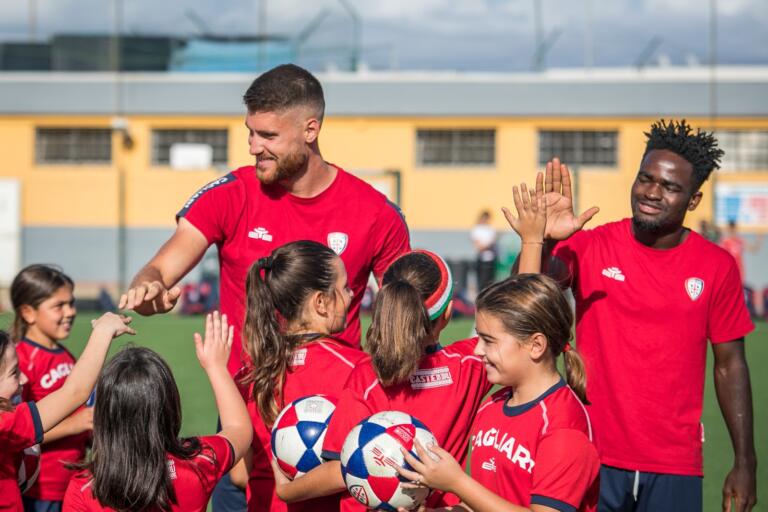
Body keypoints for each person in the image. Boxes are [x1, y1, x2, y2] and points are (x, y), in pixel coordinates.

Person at [119, 63, 410, 510]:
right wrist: (149, 289)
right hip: (245, 416)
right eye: (250, 133)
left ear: (310, 129)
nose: (255, 147)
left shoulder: (374, 212)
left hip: (338, 416)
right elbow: (160, 268)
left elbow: (403, 314)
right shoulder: (230, 193)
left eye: (269, 136)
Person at [537, 119, 756, 511]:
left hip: (674, 465)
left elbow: (730, 366)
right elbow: (534, 300)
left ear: (693, 200)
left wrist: (745, 461)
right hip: (589, 451)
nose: (652, 193)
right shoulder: (591, 245)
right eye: (645, 178)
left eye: (670, 187)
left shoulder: (716, 266)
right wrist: (546, 243)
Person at [272, 249, 491, 511]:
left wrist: (287, 491)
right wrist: (531, 241)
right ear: (447, 314)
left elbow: (339, 468)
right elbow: (517, 323)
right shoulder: (469, 366)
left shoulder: (368, 376)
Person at [62, 312, 252, 511]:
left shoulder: (84, 488)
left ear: (103, 416)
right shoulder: (197, 462)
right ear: (169, 407)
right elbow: (239, 429)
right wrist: (216, 367)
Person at [233, 240, 368, 512]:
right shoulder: (360, 370)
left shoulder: (250, 375)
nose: (352, 295)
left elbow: (238, 475)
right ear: (321, 302)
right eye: (344, 287)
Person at [1, 313, 134, 511]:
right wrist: (103, 331)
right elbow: (74, 392)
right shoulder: (5, 424)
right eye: (14, 373)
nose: (24, 379)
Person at [10, 265, 92, 511]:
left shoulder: (65, 355)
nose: (71, 312)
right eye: (59, 306)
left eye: (72, 303)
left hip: (72, 482)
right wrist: (77, 424)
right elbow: (16, 431)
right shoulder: (20, 362)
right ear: (28, 312)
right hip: (40, 488)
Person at [470, 210, 499, 292]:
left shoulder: (490, 229)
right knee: (481, 281)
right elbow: (478, 245)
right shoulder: (476, 229)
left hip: (491, 259)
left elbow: (492, 242)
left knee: (490, 281)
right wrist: (485, 245)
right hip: (481, 259)